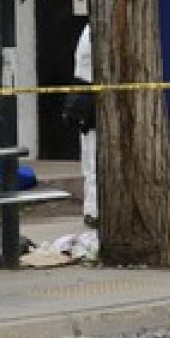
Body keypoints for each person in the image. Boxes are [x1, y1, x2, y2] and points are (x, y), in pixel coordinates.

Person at [72, 22, 98, 227]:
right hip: (90, 97)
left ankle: (93, 209)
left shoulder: (90, 29)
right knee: (93, 156)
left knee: (90, 158)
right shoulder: (95, 29)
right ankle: (93, 210)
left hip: (87, 95)